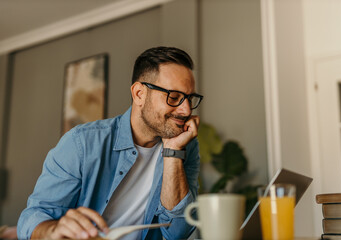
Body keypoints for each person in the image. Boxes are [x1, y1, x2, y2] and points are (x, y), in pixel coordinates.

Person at [17, 46, 203, 240]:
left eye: (190, 98)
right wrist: (52, 231)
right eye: (174, 97)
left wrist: (173, 151)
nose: (186, 110)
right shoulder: (82, 143)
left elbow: (177, 233)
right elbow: (33, 217)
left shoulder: (185, 146)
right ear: (139, 93)